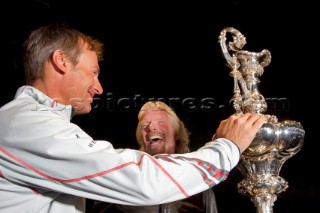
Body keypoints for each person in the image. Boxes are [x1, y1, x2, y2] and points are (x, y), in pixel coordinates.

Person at [0, 23, 265, 213]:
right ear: (61, 61)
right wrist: (226, 149)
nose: (99, 87)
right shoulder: (26, 124)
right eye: (92, 72)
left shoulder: (33, 121)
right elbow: (143, 181)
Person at [90, 100, 219, 212]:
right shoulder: (123, 174)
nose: (151, 127)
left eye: (160, 122)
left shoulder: (197, 178)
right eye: (144, 125)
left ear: (176, 133)